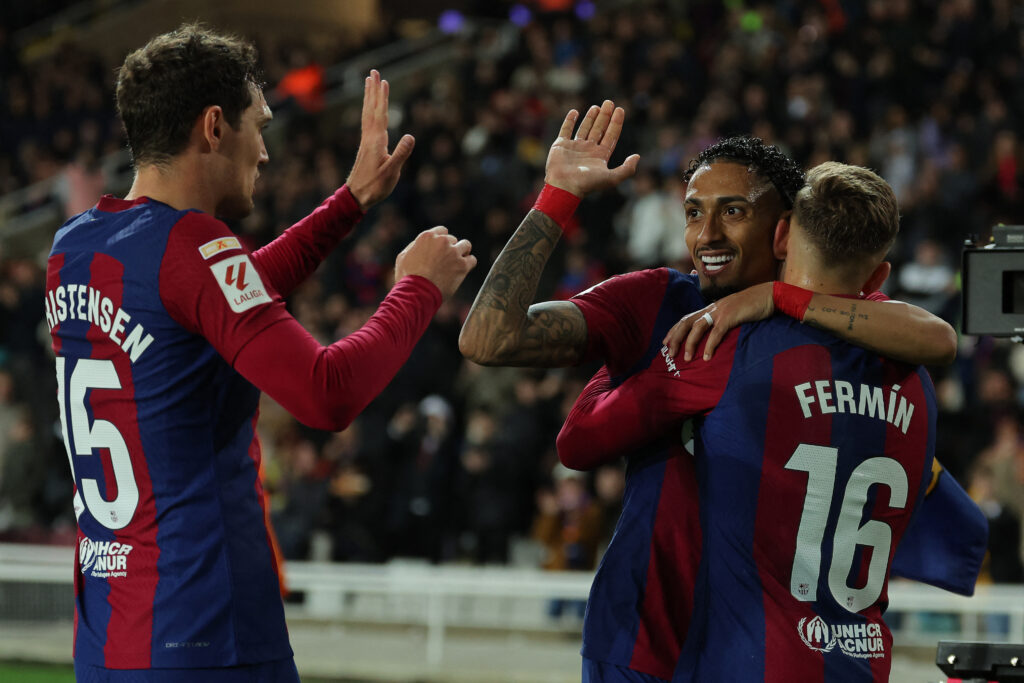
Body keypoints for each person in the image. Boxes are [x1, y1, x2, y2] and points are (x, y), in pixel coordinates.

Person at [459, 102, 983, 682]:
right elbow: (487, 339)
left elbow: (576, 442)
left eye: (733, 211)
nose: (705, 235)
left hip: (747, 649)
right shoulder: (656, 299)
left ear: (784, 230)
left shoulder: (823, 332)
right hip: (649, 639)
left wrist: (762, 307)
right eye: (692, 212)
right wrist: (556, 197)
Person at [46, 25, 475, 682]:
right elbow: (326, 393)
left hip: (107, 638)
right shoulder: (192, 248)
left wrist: (349, 202)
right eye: (259, 124)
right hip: (207, 634)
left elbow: (214, 296)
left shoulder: (75, 247)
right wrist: (418, 288)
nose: (267, 152)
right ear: (214, 127)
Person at [556, 162, 940, 681]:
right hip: (861, 660)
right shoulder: (916, 379)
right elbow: (939, 337)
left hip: (751, 659)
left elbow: (577, 443)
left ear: (781, 235)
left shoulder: (733, 348)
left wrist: (629, 352)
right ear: (879, 277)